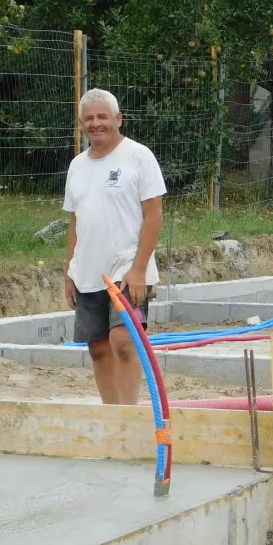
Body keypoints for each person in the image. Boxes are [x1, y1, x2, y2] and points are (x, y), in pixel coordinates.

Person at [63, 88, 166, 405]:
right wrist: (70, 271)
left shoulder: (138, 156)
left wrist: (138, 270)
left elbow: (154, 215)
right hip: (89, 270)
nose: (96, 123)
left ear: (118, 119)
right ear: (82, 123)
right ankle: (112, 416)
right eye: (89, 118)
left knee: (124, 340)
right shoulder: (77, 166)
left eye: (102, 117)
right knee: (98, 347)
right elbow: (75, 222)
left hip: (127, 269)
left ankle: (129, 416)